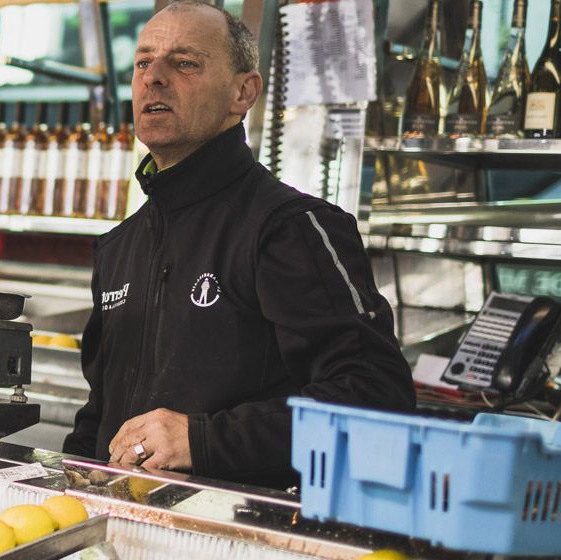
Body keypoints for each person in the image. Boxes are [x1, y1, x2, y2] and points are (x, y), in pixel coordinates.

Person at [62, 1, 414, 489]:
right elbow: (98, 418)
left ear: (243, 92)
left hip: (241, 527)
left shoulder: (289, 228)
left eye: (185, 62)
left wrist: (203, 440)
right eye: (143, 62)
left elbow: (378, 398)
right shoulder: (119, 246)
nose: (154, 78)